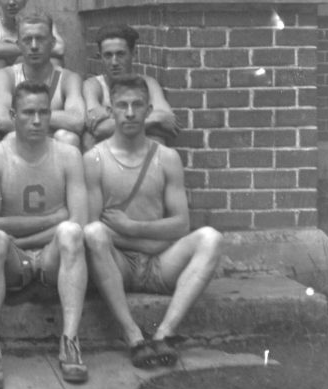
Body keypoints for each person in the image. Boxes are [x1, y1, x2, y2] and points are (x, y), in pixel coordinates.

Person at [83, 75, 223, 369]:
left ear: (149, 111)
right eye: (122, 105)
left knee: (210, 238)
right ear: (110, 111)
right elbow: (95, 224)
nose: (130, 113)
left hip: (161, 262)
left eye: (137, 105)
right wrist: (149, 238)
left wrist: (133, 228)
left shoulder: (167, 158)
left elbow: (181, 224)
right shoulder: (95, 159)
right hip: (119, 263)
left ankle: (164, 334)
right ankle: (133, 335)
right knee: (94, 234)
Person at [0, 82, 89, 389]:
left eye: (43, 112)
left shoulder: (68, 154)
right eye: (28, 113)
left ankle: (69, 341)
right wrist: (53, 218)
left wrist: (45, 228)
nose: (37, 120)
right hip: (15, 259)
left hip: (53, 258)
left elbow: (78, 219)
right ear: (13, 115)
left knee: (71, 232)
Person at [82, 24, 179, 150]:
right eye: (108, 55)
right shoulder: (93, 85)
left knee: (157, 141)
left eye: (120, 54)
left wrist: (107, 113)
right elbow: (98, 130)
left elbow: (168, 123)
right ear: (100, 56)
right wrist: (154, 120)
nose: (114, 62)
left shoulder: (148, 84)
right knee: (88, 138)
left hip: (141, 153)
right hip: (107, 157)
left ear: (133, 53)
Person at [0, 13, 84, 146]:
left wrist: (24, 116)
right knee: (8, 137)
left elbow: (77, 121)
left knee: (67, 137)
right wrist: (55, 120)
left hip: (55, 151)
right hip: (19, 149)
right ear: (18, 44)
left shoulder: (68, 78)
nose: (34, 46)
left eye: (40, 39)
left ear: (52, 43)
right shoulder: (6, 75)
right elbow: (2, 121)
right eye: (27, 40)